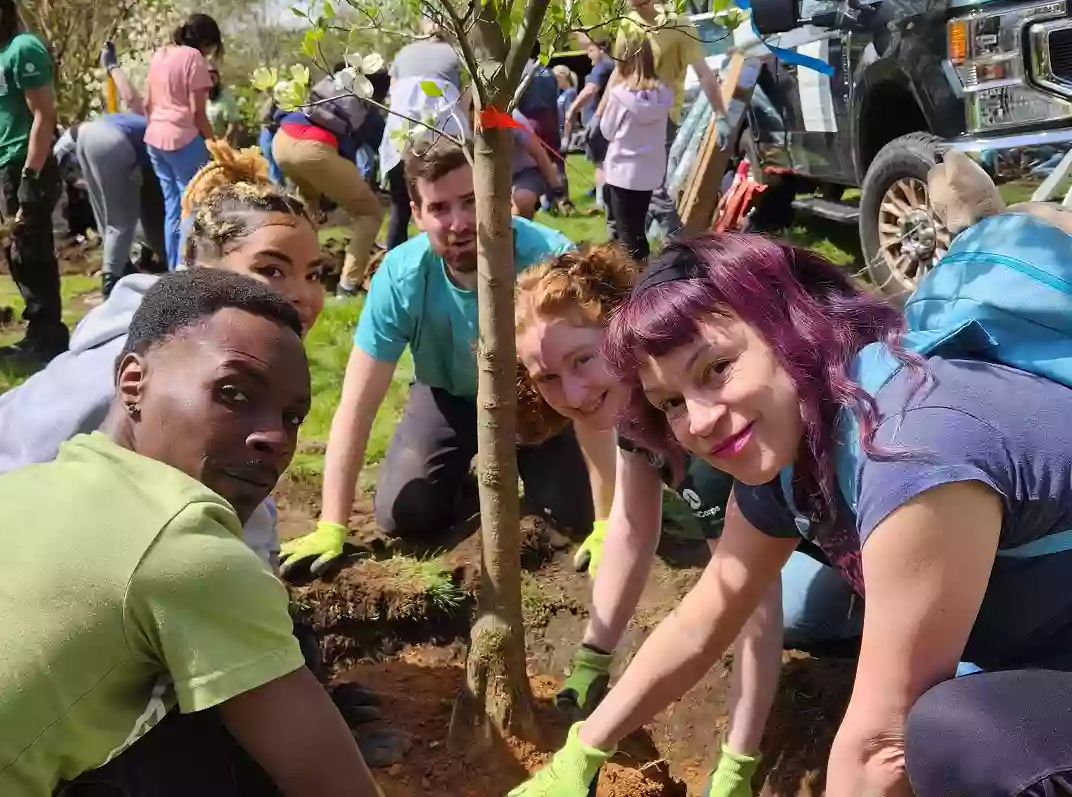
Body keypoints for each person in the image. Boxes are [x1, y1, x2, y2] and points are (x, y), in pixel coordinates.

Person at [511, 232, 1072, 797]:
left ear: (787, 326)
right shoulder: (790, 445)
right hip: (1033, 649)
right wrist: (584, 747)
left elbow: (878, 745)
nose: (699, 422)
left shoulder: (911, 449)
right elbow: (706, 616)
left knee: (958, 736)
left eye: (716, 368)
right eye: (672, 403)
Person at [0, 267, 382, 797]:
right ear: (133, 382)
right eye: (234, 393)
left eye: (293, 417)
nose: (275, 436)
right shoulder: (185, 547)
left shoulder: (18, 491)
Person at [514, 246, 861, 797]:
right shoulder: (643, 416)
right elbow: (631, 528)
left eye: (582, 360)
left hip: (867, 539)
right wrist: (593, 657)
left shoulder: (714, 427)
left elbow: (748, 599)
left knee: (786, 609)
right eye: (548, 378)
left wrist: (737, 761)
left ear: (619, 327)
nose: (573, 394)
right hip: (812, 536)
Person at [0, 143, 323, 565]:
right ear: (203, 271)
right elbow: (6, 474)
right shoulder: (132, 364)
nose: (301, 295)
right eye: (271, 270)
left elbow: (233, 488)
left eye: (314, 275)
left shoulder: (221, 356)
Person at [278, 138, 594, 578]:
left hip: (540, 401)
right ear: (417, 211)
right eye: (441, 208)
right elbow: (356, 403)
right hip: (447, 396)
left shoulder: (548, 258)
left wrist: (615, 510)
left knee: (577, 513)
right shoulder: (402, 276)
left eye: (471, 201)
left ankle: (536, 467)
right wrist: (331, 524)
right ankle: (458, 479)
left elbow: (597, 380)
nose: (459, 222)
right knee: (402, 515)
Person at [0, 0, 66, 361]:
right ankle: (38, 331)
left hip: (23, 166)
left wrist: (30, 173)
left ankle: (48, 336)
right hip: (0, 169)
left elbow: (44, 114)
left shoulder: (24, 48)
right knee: (17, 254)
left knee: (32, 252)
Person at [613, 0, 729, 238]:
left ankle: (683, 250)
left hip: (660, 119)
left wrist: (721, 115)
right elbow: (619, 73)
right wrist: (604, 114)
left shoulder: (678, 25)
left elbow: (705, 75)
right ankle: (623, 249)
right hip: (627, 118)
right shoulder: (628, 23)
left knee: (653, 189)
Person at [273, 69, 386, 298]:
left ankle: (299, 273)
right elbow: (382, 145)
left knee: (309, 206)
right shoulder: (367, 109)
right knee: (369, 213)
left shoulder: (329, 86)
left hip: (282, 142)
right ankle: (347, 287)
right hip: (314, 150)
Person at [78, 42, 167, 298]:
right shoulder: (162, 130)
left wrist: (112, 65)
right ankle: (111, 286)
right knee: (120, 221)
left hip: (89, 134)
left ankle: (121, 268)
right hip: (113, 143)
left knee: (104, 216)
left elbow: (129, 97)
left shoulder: (142, 114)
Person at [144, 13, 221, 269]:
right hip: (182, 138)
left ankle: (173, 267)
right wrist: (216, 145)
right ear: (207, 42)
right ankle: (186, 267)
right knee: (194, 203)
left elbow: (147, 103)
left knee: (172, 206)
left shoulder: (160, 55)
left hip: (154, 138)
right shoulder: (194, 58)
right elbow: (197, 112)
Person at [380, 22, 465, 249]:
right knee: (444, 203)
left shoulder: (403, 54)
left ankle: (394, 263)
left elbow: (394, 96)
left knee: (401, 205)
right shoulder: (457, 54)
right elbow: (463, 101)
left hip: (400, 136)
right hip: (442, 137)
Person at [598, 38, 674, 263]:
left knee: (626, 234)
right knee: (638, 229)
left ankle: (634, 282)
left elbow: (607, 130)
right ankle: (644, 270)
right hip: (650, 170)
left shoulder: (620, 94)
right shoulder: (663, 93)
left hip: (622, 170)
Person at [564, 35, 614, 213]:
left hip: (600, 123)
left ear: (602, 49)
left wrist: (572, 108)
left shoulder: (603, 66)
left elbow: (591, 89)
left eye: (591, 50)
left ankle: (602, 201)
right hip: (605, 121)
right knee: (605, 162)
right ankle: (607, 200)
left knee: (601, 163)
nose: (588, 54)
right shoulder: (612, 66)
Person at [510, 110, 565, 220]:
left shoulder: (514, 118)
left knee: (523, 200)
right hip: (489, 176)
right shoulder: (465, 126)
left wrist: (557, 189)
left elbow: (539, 154)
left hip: (526, 171)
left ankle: (519, 233)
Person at [207, 62, 242, 144]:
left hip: (221, 144)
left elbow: (233, 123)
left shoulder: (227, 99)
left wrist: (225, 141)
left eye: (212, 77)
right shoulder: (199, 97)